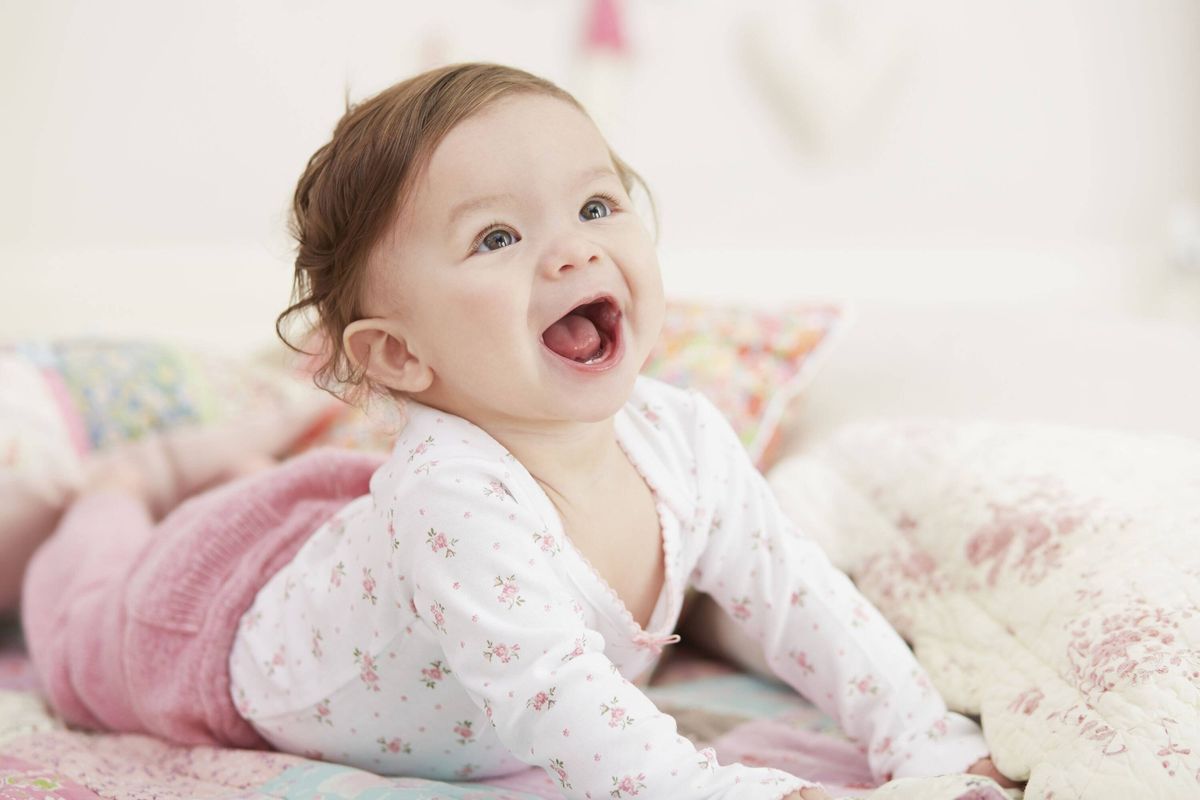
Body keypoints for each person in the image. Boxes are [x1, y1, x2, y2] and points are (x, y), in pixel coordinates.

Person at [21, 62, 1021, 799]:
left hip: (352, 554)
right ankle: (128, 474)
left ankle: (244, 463)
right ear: (404, 358)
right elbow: (559, 702)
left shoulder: (684, 438)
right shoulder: (453, 500)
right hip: (204, 626)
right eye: (498, 236)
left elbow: (803, 597)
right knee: (77, 606)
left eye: (596, 204)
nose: (571, 248)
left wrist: (925, 737)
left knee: (313, 505)